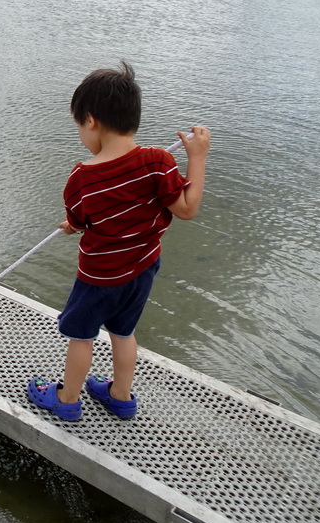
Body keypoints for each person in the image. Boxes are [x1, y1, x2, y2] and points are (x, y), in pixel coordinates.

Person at [27, 62, 210, 421]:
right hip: (142, 270)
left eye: (80, 127)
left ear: (91, 121)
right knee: (124, 333)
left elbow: (81, 220)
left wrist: (73, 224)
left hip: (98, 277)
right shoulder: (159, 161)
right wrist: (198, 158)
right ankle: (121, 396)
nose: (82, 135)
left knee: (81, 337)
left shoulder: (81, 178)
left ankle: (67, 400)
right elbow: (186, 209)